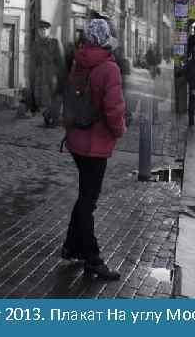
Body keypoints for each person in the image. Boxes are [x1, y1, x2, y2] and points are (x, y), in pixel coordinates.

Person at [62, 19, 126, 281]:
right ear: (105, 39)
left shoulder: (79, 61)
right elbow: (114, 108)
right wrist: (119, 130)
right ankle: (92, 258)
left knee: (84, 197)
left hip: (76, 139)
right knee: (88, 201)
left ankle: (72, 247)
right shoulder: (109, 68)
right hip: (96, 143)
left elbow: (68, 97)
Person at [32, 21, 66, 128]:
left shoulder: (55, 42)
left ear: (48, 30)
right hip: (41, 75)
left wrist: (61, 77)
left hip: (53, 75)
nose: (42, 32)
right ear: (38, 31)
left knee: (55, 97)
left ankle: (54, 120)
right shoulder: (36, 44)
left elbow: (61, 61)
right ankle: (48, 116)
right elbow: (34, 61)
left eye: (44, 30)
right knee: (45, 99)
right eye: (40, 30)